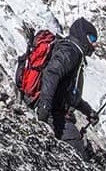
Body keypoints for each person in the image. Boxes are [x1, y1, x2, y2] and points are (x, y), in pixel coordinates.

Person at [33, 18, 100, 156]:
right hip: (53, 114)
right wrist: (44, 109)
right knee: (78, 152)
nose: (95, 44)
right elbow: (51, 73)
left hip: (55, 112)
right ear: (83, 36)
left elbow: (69, 93)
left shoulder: (75, 53)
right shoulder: (71, 51)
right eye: (92, 38)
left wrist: (88, 111)